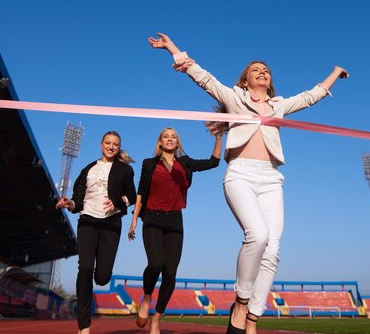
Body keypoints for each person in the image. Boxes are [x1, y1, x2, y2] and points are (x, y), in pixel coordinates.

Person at [148, 33, 349, 334]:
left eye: (266, 70)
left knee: (273, 248)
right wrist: (172, 49)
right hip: (240, 174)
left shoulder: (279, 106)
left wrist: (335, 73)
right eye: (256, 69)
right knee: (257, 234)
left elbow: (310, 96)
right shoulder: (234, 98)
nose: (262, 72)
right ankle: (241, 303)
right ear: (245, 80)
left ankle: (252, 318)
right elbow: (201, 76)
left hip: (270, 178)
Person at [128, 126, 222, 334]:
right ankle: (146, 298)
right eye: (166, 137)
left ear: (177, 143)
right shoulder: (149, 164)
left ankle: (156, 320)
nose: (170, 139)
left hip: (175, 221)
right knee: (156, 263)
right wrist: (134, 220)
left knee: (170, 273)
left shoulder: (185, 162)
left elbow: (214, 162)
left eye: (173, 137)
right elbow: (141, 193)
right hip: (152, 217)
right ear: (160, 142)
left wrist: (218, 137)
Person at [56, 131, 137, 334]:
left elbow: (133, 196)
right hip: (87, 221)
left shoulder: (125, 170)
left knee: (101, 277)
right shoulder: (88, 169)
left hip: (111, 224)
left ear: (119, 147)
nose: (111, 146)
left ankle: (102, 276)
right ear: (101, 144)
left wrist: (118, 201)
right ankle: (84, 326)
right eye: (108, 143)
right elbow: (78, 200)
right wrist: (70, 203)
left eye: (115, 144)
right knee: (84, 269)